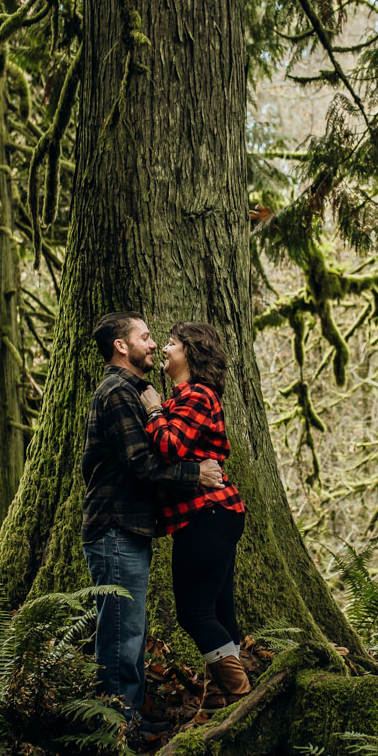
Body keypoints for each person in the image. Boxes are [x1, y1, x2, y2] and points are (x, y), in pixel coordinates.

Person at [81, 312, 225, 732]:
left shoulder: (134, 391)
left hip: (128, 527)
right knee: (121, 630)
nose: (154, 344)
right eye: (145, 337)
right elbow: (141, 464)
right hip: (114, 528)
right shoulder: (118, 393)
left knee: (128, 627)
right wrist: (195, 474)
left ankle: (128, 717)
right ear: (121, 346)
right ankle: (115, 728)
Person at [142, 321, 249, 707]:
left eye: (171, 343)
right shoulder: (185, 400)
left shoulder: (197, 396)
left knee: (194, 612)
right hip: (214, 515)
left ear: (191, 353)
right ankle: (218, 702)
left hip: (207, 515)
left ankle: (241, 700)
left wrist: (154, 412)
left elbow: (169, 446)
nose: (164, 349)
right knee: (220, 608)